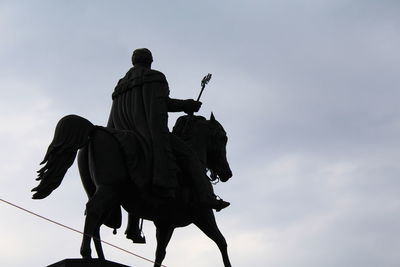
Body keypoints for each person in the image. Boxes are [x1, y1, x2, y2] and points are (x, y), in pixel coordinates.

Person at [107, 48, 229, 243]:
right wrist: (186, 105)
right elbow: (163, 103)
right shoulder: (155, 77)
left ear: (133, 61)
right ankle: (206, 197)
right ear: (150, 61)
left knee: (135, 171)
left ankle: (132, 226)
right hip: (151, 132)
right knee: (189, 155)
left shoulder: (120, 85)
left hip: (123, 133)